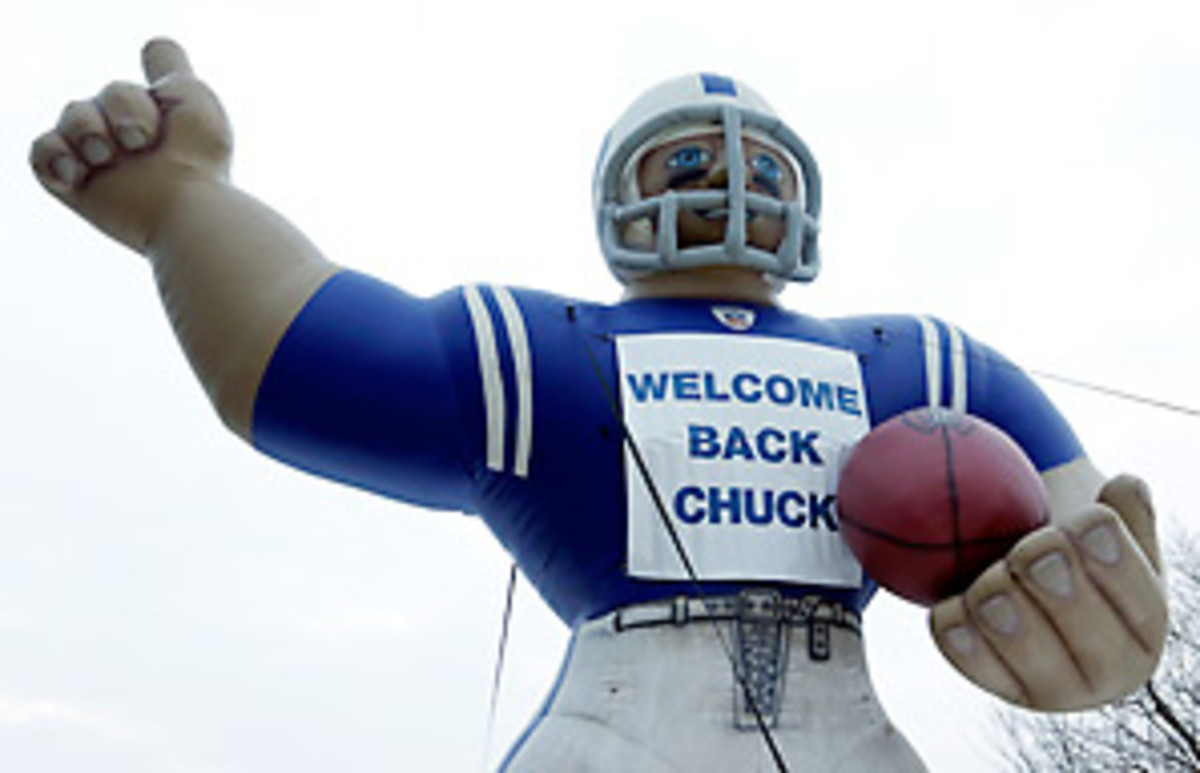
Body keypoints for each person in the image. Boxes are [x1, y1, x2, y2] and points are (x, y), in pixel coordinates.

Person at [31, 39, 1168, 772]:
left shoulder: (914, 363)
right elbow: (302, 354)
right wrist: (186, 206)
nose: (737, 179)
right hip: (619, 720)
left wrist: (1103, 622)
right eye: (693, 163)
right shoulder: (550, 348)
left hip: (841, 719)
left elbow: (1085, 528)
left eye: (765, 168)